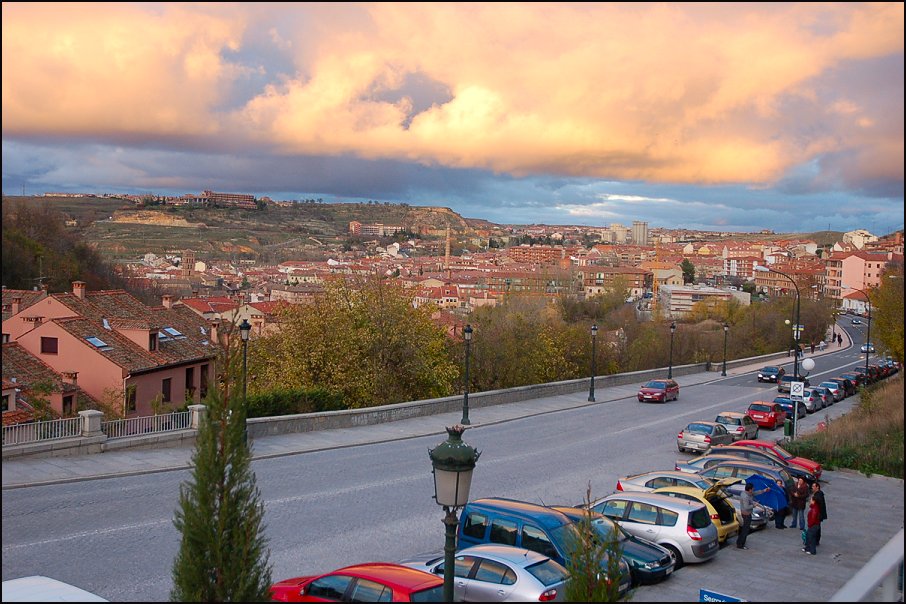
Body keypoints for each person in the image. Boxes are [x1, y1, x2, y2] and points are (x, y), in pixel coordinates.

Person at [736, 482, 769, 549]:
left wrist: (764, 490)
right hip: (746, 514)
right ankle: (740, 544)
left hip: (746, 513)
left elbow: (755, 493)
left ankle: (739, 542)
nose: (753, 490)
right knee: (745, 530)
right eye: (753, 489)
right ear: (750, 489)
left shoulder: (747, 493)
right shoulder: (745, 496)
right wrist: (754, 505)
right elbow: (746, 507)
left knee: (744, 528)